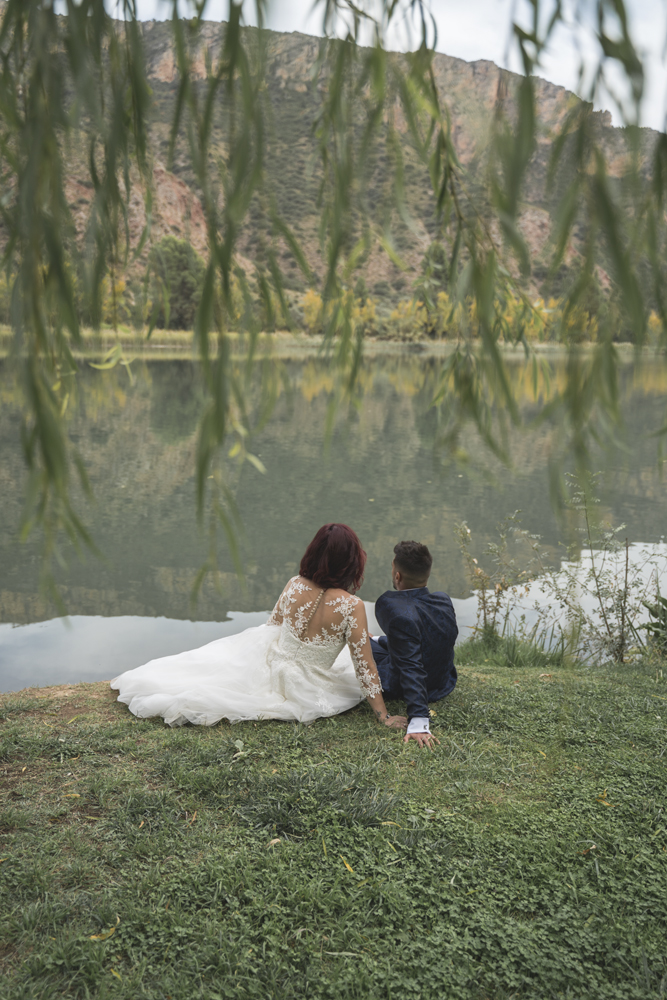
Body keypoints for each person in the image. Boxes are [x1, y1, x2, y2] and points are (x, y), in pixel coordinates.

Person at [111, 524, 406, 732]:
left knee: (209, 671)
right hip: (309, 684)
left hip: (274, 662)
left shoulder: (295, 584)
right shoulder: (352, 605)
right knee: (359, 651)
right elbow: (365, 666)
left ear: (314, 553)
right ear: (352, 561)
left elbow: (272, 628)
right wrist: (383, 716)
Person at [371, 540, 458, 750]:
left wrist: (419, 720)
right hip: (442, 682)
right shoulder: (443, 601)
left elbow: (411, 666)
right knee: (374, 641)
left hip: (402, 684)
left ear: (397, 576)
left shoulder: (391, 606)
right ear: (426, 576)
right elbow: (420, 640)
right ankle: (374, 641)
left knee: (358, 644)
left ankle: (370, 641)